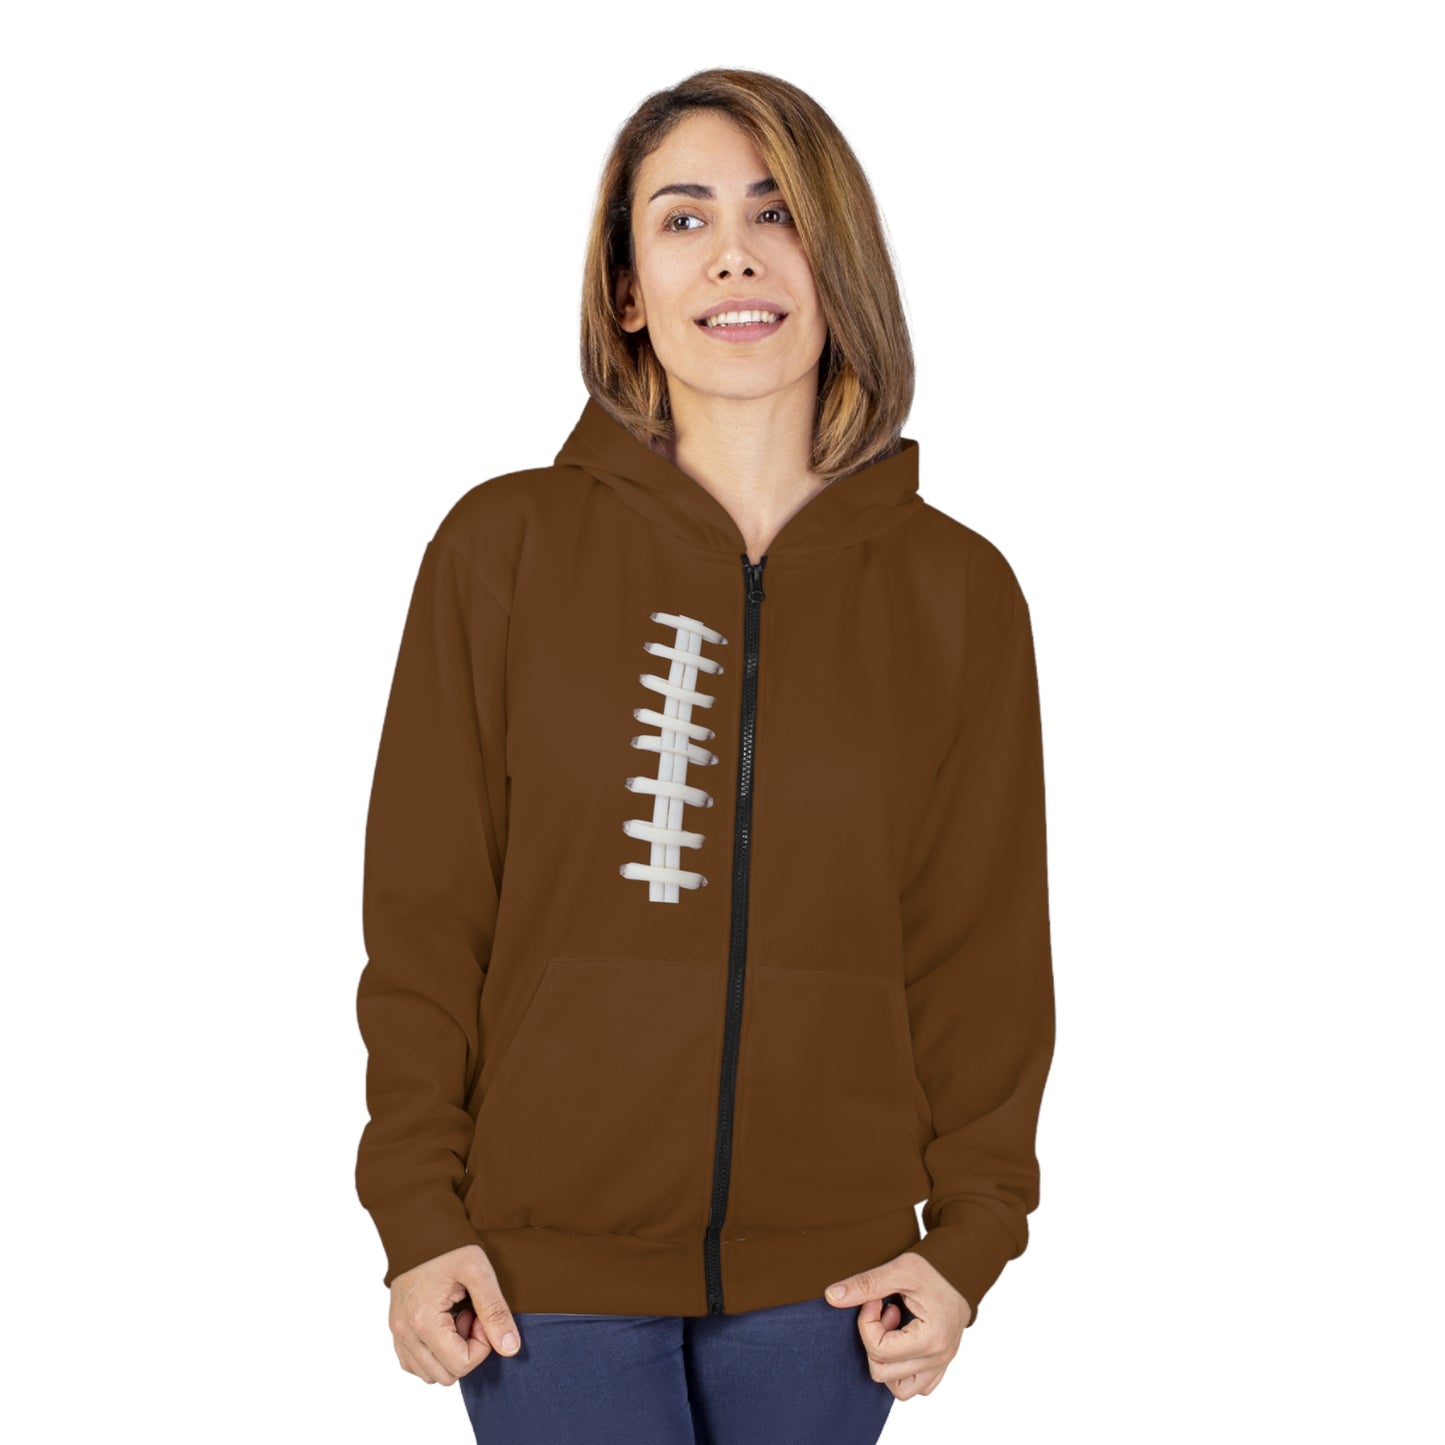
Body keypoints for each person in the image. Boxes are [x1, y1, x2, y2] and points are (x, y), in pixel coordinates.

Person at [354, 66, 1056, 1445]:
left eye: (776, 213)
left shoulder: (955, 592)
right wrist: (416, 1213)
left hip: (834, 1283)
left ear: (838, 261)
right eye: (683, 219)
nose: (734, 253)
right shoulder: (504, 551)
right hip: (540, 1276)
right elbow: (428, 918)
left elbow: (980, 946)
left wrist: (971, 1235)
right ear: (627, 290)